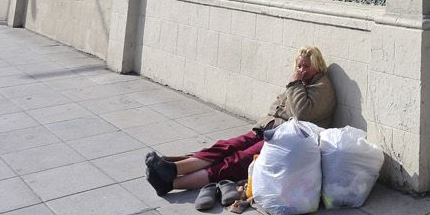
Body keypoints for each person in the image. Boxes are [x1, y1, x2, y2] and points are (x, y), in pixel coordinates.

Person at [144, 46, 336, 197]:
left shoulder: (322, 86)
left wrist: (294, 85)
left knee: (237, 161)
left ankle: (171, 183)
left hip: (288, 141)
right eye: (299, 66)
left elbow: (301, 113)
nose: (301, 70)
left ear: (317, 66)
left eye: (306, 66)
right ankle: (173, 168)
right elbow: (276, 107)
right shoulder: (300, 84)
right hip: (267, 129)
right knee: (225, 146)